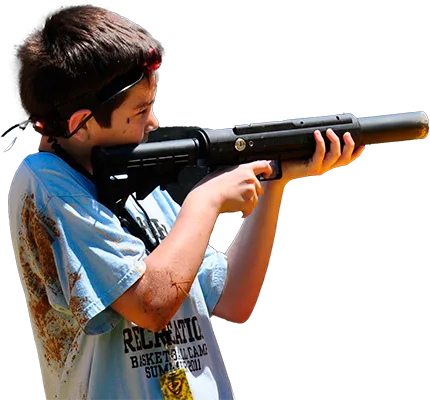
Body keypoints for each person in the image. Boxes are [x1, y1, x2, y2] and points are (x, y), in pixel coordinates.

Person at [8, 5, 365, 400]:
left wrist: (275, 178)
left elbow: (232, 298)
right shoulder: (47, 181)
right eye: (140, 110)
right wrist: (206, 200)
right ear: (80, 122)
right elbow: (151, 304)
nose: (154, 122)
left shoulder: (131, 189)